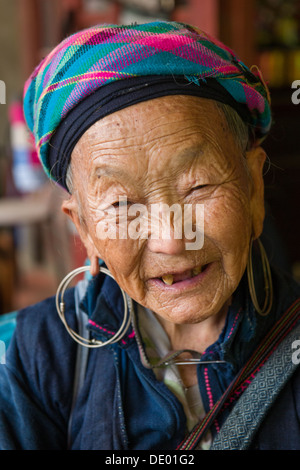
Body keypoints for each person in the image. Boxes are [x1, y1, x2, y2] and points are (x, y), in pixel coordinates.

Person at [0, 20, 299, 451]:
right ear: (84, 227)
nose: (171, 240)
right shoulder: (32, 359)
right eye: (121, 205)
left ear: (252, 187)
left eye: (198, 186)